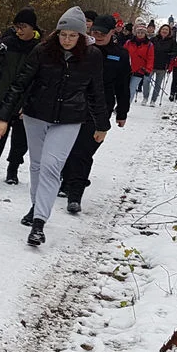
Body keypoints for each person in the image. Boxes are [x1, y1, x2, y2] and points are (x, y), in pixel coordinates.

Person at [0, 7, 108, 246]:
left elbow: (96, 90)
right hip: (37, 115)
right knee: (37, 164)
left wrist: (102, 124)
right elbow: (20, 83)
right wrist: (4, 116)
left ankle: (39, 224)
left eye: (72, 35)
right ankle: (37, 206)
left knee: (51, 166)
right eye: (63, 34)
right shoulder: (42, 51)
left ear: (81, 36)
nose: (66, 40)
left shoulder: (92, 55)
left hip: (69, 118)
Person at [60, 14, 130, 213]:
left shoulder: (120, 55)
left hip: (100, 109)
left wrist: (122, 112)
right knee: (68, 147)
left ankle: (75, 194)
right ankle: (66, 180)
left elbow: (123, 86)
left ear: (112, 33)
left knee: (84, 151)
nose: (97, 36)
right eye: (94, 32)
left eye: (102, 33)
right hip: (73, 105)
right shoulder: (82, 50)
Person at [0, 6, 41, 185]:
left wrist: (27, 102)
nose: (19, 31)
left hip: (24, 101)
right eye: (16, 27)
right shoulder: (7, 43)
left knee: (20, 139)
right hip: (3, 97)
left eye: (23, 27)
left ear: (32, 28)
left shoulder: (39, 48)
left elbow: (39, 79)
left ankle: (13, 168)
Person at [125, 20, 155, 105]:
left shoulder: (149, 45)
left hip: (140, 70)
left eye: (142, 32)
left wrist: (148, 70)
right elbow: (123, 53)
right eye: (138, 32)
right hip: (127, 68)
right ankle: (120, 105)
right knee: (124, 88)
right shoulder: (129, 43)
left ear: (145, 33)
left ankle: (125, 107)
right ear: (135, 33)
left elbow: (150, 58)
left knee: (132, 89)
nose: (140, 34)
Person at [147, 23, 177, 106]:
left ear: (169, 32)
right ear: (160, 30)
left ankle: (153, 100)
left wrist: (168, 55)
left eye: (166, 30)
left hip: (163, 66)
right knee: (146, 81)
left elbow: (175, 52)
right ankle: (145, 97)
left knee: (158, 84)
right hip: (151, 64)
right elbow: (147, 48)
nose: (164, 31)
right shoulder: (154, 39)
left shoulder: (172, 41)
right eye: (163, 29)